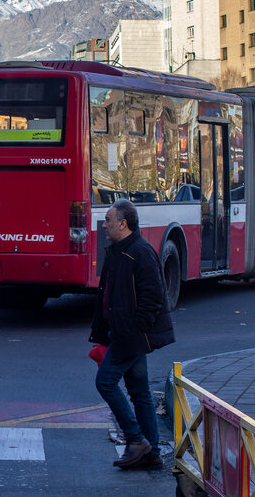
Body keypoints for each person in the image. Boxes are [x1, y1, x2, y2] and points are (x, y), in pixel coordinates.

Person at [89, 199, 175, 470]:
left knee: (105, 382)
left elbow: (154, 296)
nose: (104, 225)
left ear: (123, 224)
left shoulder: (140, 251)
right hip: (122, 332)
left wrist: (136, 329)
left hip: (131, 335)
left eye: (108, 221)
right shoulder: (119, 250)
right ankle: (151, 454)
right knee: (140, 392)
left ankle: (136, 439)